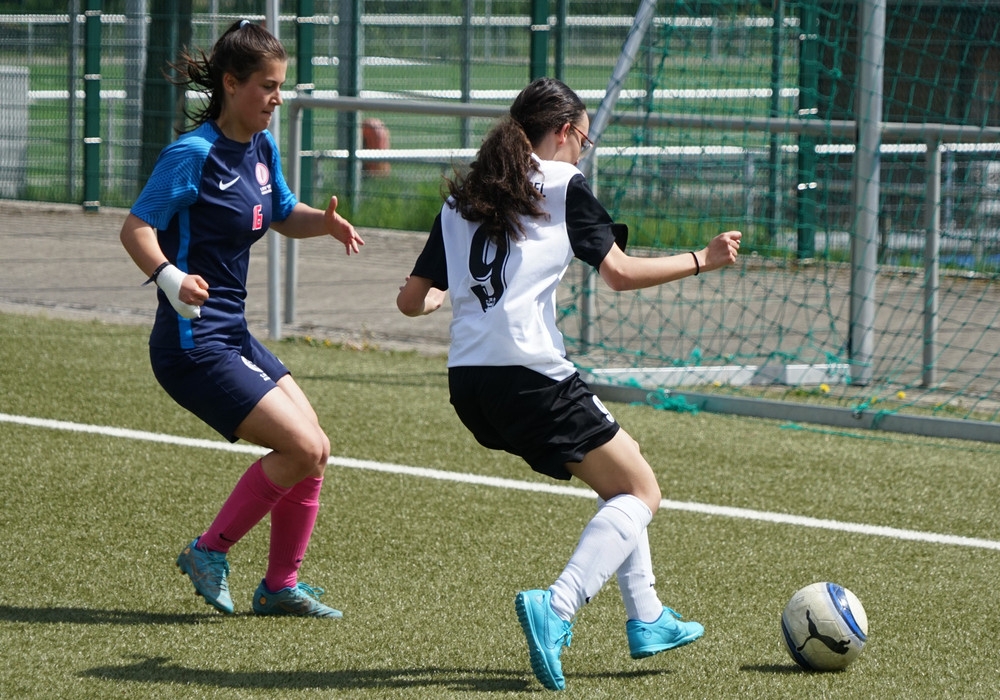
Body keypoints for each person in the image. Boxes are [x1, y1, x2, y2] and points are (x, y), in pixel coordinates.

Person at [396, 77, 741, 690]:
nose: (583, 149)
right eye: (583, 137)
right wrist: (702, 259)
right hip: (530, 374)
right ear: (562, 132)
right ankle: (557, 606)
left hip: (470, 385)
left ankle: (648, 617)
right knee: (642, 492)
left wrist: (466, 302)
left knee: (624, 475)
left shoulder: (463, 196)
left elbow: (411, 301)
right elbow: (620, 274)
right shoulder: (560, 184)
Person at [120, 19, 364, 618]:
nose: (278, 99)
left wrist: (323, 223)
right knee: (302, 447)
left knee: (316, 449)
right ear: (231, 84)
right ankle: (209, 550)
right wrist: (169, 276)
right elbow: (136, 228)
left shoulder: (260, 147)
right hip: (190, 345)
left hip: (232, 333)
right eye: (269, 87)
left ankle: (279, 586)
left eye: (281, 87)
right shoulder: (191, 155)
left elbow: (281, 210)